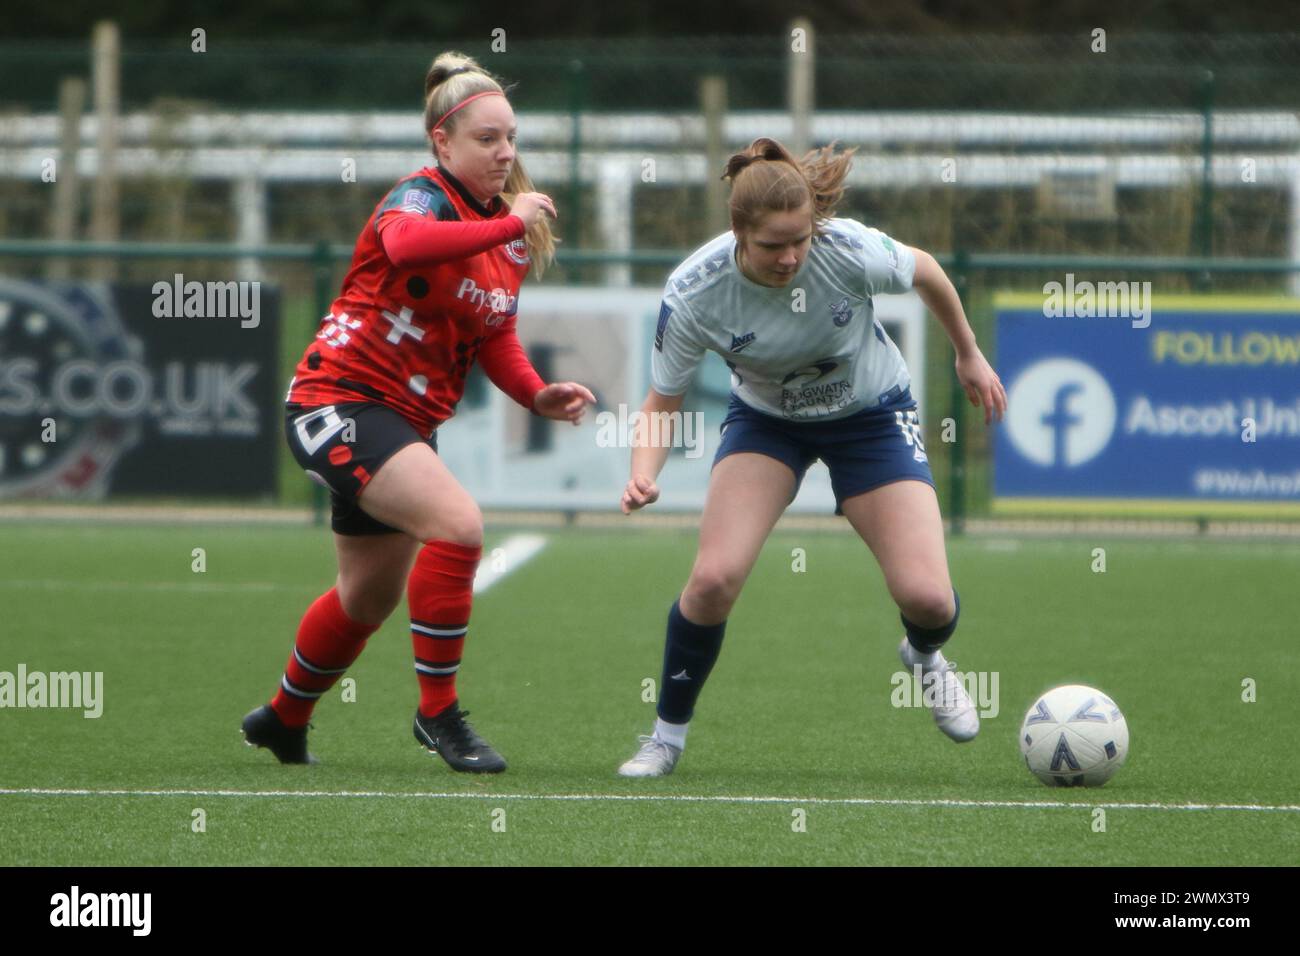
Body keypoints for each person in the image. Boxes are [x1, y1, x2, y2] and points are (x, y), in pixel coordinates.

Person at [242, 51, 594, 773]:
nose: (506, 153)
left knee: (366, 597)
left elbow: (493, 332)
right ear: (443, 142)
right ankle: (439, 718)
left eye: (512, 138)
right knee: (460, 527)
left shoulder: (503, 235)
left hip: (401, 421)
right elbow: (404, 245)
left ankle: (283, 717)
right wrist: (508, 226)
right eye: (487, 139)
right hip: (337, 401)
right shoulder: (422, 197)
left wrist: (535, 393)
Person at [616, 137, 1007, 777]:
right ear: (739, 233)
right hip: (769, 425)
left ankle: (925, 656)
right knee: (713, 580)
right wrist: (642, 473)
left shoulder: (845, 248)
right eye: (773, 245)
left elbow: (927, 270)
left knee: (930, 600)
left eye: (800, 239)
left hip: (872, 416)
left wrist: (968, 352)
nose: (791, 257)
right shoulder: (695, 290)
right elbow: (662, 402)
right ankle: (665, 738)